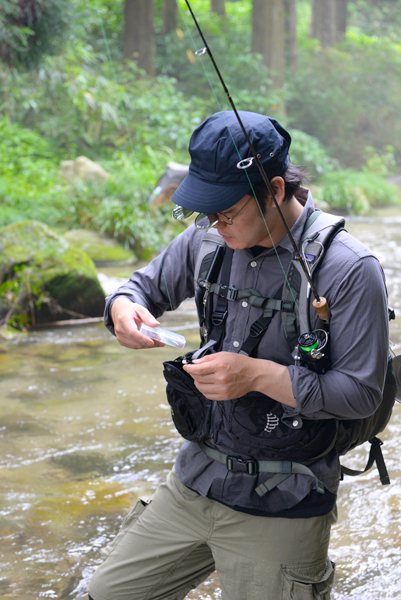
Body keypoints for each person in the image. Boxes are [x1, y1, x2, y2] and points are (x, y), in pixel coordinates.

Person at [87, 111, 389, 600]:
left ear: (274, 190)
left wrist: (256, 376)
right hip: (195, 479)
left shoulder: (350, 269)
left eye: (226, 212)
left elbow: (360, 395)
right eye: (204, 211)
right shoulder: (207, 240)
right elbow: (138, 287)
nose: (213, 224)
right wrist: (123, 308)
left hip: (286, 498)